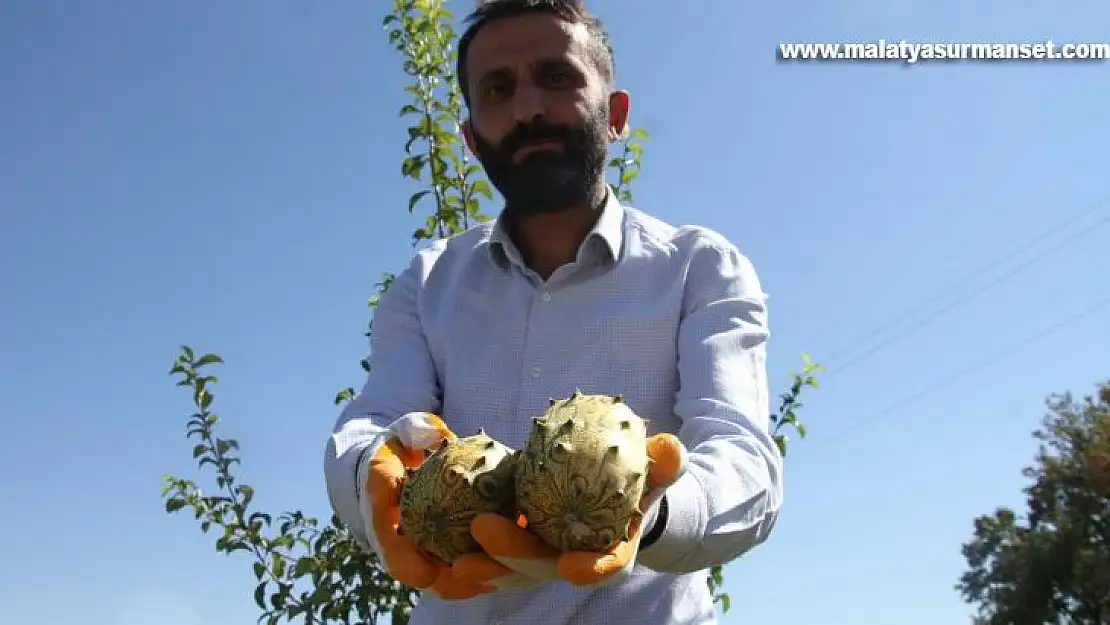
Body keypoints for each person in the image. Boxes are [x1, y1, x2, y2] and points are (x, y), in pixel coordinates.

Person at [323, 0, 784, 623]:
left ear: (616, 113)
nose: (528, 108)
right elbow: (373, 422)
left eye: (558, 76)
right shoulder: (426, 281)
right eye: (497, 89)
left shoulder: (699, 266)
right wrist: (367, 476)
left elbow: (743, 460)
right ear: (470, 137)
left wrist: (651, 513)